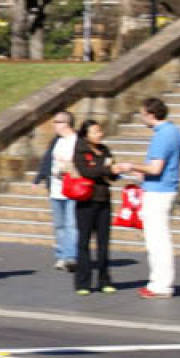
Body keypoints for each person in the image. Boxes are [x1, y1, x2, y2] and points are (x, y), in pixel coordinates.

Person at [115, 97, 180, 299]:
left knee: (157, 241)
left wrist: (131, 166)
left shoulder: (162, 135)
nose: (141, 118)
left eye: (142, 113)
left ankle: (160, 285)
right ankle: (161, 282)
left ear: (150, 114)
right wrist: (143, 174)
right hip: (165, 187)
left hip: (158, 192)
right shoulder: (174, 131)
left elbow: (156, 167)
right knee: (160, 239)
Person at [73, 119, 120, 296]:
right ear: (86, 135)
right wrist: (108, 170)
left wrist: (114, 171)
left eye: (99, 131)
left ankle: (104, 280)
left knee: (103, 242)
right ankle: (83, 282)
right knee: (83, 243)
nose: (99, 134)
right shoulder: (80, 151)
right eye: (94, 131)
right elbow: (87, 172)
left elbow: (112, 174)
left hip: (103, 201)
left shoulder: (105, 150)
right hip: (86, 201)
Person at [34, 110, 79, 272]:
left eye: (57, 122)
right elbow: (47, 159)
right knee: (59, 225)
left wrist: (67, 167)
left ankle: (71, 257)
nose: (54, 125)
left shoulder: (77, 141)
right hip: (55, 189)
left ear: (66, 124)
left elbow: (80, 163)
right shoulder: (56, 141)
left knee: (71, 224)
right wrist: (39, 177)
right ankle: (61, 256)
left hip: (72, 189)